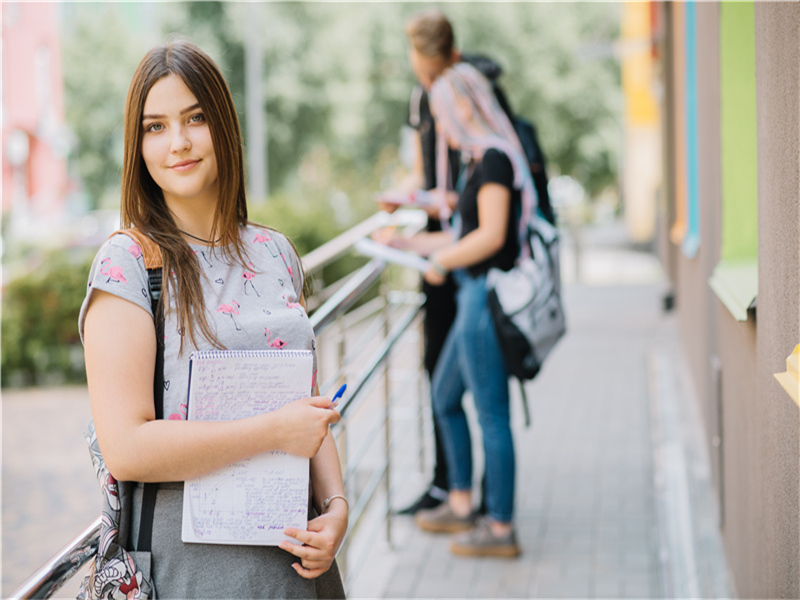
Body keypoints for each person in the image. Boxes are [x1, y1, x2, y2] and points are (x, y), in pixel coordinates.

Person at [79, 40, 347, 598]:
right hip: (193, 569)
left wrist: (337, 507)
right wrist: (274, 431)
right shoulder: (128, 264)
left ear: (223, 124)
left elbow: (308, 407)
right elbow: (126, 447)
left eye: (195, 118)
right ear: (138, 145)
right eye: (156, 127)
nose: (178, 142)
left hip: (297, 563)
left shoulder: (275, 253)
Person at [375, 62, 535, 558]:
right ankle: (462, 502)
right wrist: (408, 241)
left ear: (465, 106)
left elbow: (488, 237)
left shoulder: (494, 160)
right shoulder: (480, 161)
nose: (439, 129)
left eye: (442, 116)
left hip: (483, 299)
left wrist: (441, 261)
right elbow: (466, 232)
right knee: (445, 397)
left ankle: (501, 529)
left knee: (491, 414)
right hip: (471, 294)